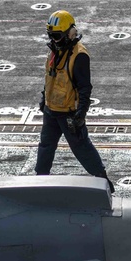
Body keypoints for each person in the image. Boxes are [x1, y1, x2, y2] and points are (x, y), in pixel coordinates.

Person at [34, 10, 115, 193]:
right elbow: (50, 78)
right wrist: (44, 97)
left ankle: (103, 181)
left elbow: (85, 88)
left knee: (82, 149)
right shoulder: (55, 52)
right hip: (51, 110)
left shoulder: (79, 55)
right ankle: (38, 182)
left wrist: (81, 114)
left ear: (70, 33)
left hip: (69, 113)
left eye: (57, 35)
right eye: (51, 36)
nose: (54, 40)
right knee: (45, 147)